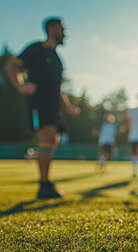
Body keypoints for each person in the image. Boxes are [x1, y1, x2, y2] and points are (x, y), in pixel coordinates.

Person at [3, 17, 80, 199]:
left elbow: (58, 87)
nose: (64, 33)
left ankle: (45, 179)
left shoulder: (57, 58)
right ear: (52, 29)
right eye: (62, 29)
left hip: (53, 106)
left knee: (53, 138)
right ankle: (44, 185)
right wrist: (21, 86)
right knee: (46, 137)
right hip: (39, 103)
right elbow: (10, 66)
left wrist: (68, 107)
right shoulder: (36, 49)